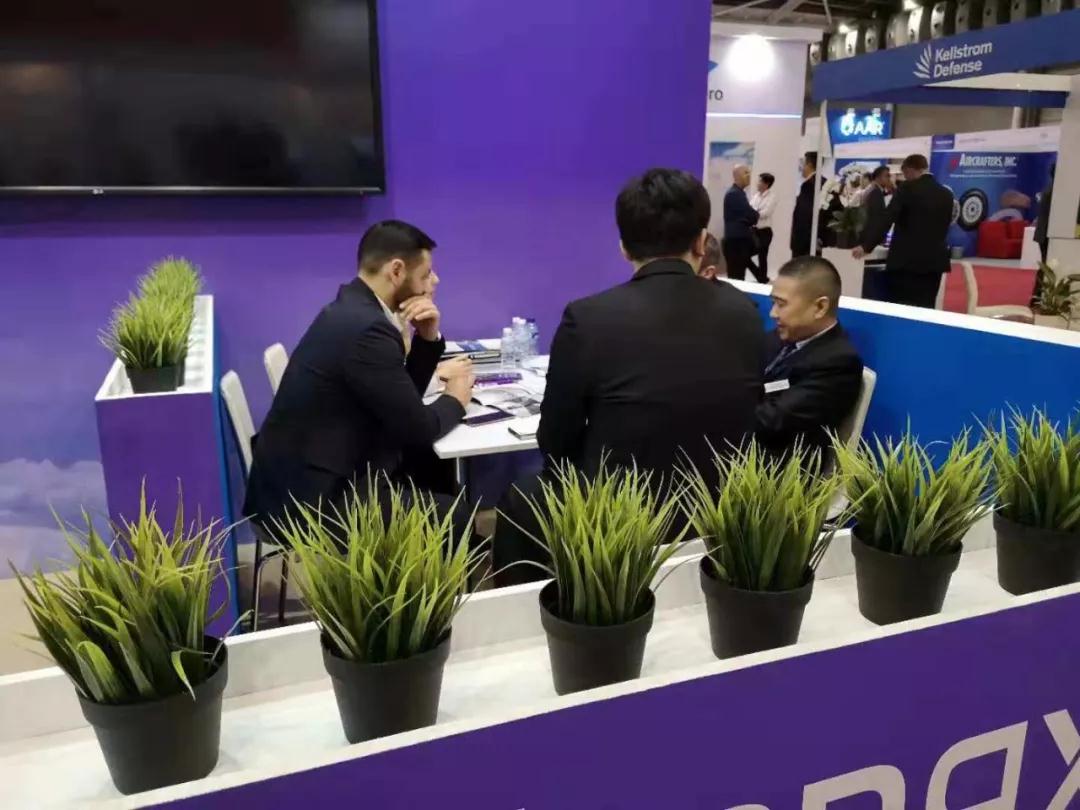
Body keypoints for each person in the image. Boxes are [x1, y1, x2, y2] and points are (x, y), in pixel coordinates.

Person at [492, 168, 766, 584]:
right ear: (701, 241)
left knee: (523, 497)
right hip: (721, 507)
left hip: (618, 519)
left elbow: (556, 441)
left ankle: (529, 614)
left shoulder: (587, 317)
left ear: (623, 247)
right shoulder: (744, 312)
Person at [243, 220, 475, 532]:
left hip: (305, 476)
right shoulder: (368, 329)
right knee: (453, 516)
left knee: (432, 469)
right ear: (396, 271)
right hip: (313, 500)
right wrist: (456, 399)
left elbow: (402, 403)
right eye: (425, 274)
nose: (433, 281)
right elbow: (419, 428)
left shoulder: (353, 308)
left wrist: (427, 338)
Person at [756, 256, 863, 461]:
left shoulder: (839, 363)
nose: (773, 313)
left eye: (781, 304)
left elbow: (774, 423)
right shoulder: (777, 339)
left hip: (774, 469)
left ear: (820, 307)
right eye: (773, 303)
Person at [854, 154, 954, 309]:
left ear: (910, 170)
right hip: (935, 263)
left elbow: (887, 219)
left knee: (902, 308)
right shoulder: (946, 194)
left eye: (905, 174)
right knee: (926, 308)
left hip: (907, 263)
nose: (905, 178)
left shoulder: (907, 189)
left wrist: (867, 246)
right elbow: (945, 224)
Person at [722, 164, 760, 281]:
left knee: (737, 276)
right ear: (737, 176)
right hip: (737, 244)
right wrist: (754, 215)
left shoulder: (738, 193)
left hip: (738, 242)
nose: (749, 175)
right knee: (736, 277)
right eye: (746, 173)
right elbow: (752, 216)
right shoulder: (735, 194)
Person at [748, 172, 777, 282]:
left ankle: (762, 279)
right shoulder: (756, 196)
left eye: (760, 181)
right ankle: (761, 277)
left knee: (762, 256)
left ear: (766, 184)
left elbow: (766, 213)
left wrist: (755, 212)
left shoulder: (772, 197)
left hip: (765, 231)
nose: (757, 183)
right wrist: (756, 212)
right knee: (745, 254)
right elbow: (749, 209)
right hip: (753, 231)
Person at [791, 152, 819, 258]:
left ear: (809, 165)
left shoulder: (809, 185)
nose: (801, 168)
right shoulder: (821, 182)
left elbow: (804, 214)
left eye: (803, 164)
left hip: (804, 240)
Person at [860, 165, 892, 242]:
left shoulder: (873, 189)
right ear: (878, 177)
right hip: (872, 236)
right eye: (887, 176)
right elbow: (875, 217)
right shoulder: (875, 191)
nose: (889, 179)